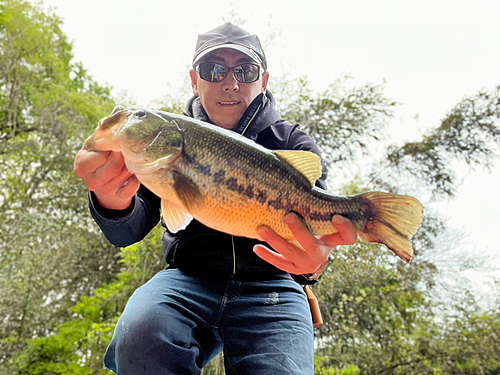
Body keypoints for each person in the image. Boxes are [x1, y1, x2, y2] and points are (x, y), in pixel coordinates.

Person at [74, 22, 357, 375]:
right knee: (139, 335)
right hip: (187, 281)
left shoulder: (291, 140)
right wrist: (109, 198)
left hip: (273, 287)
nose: (230, 81)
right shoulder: (163, 142)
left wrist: (316, 262)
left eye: (245, 70)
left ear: (263, 80)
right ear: (194, 80)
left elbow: (320, 221)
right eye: (214, 70)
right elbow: (125, 232)